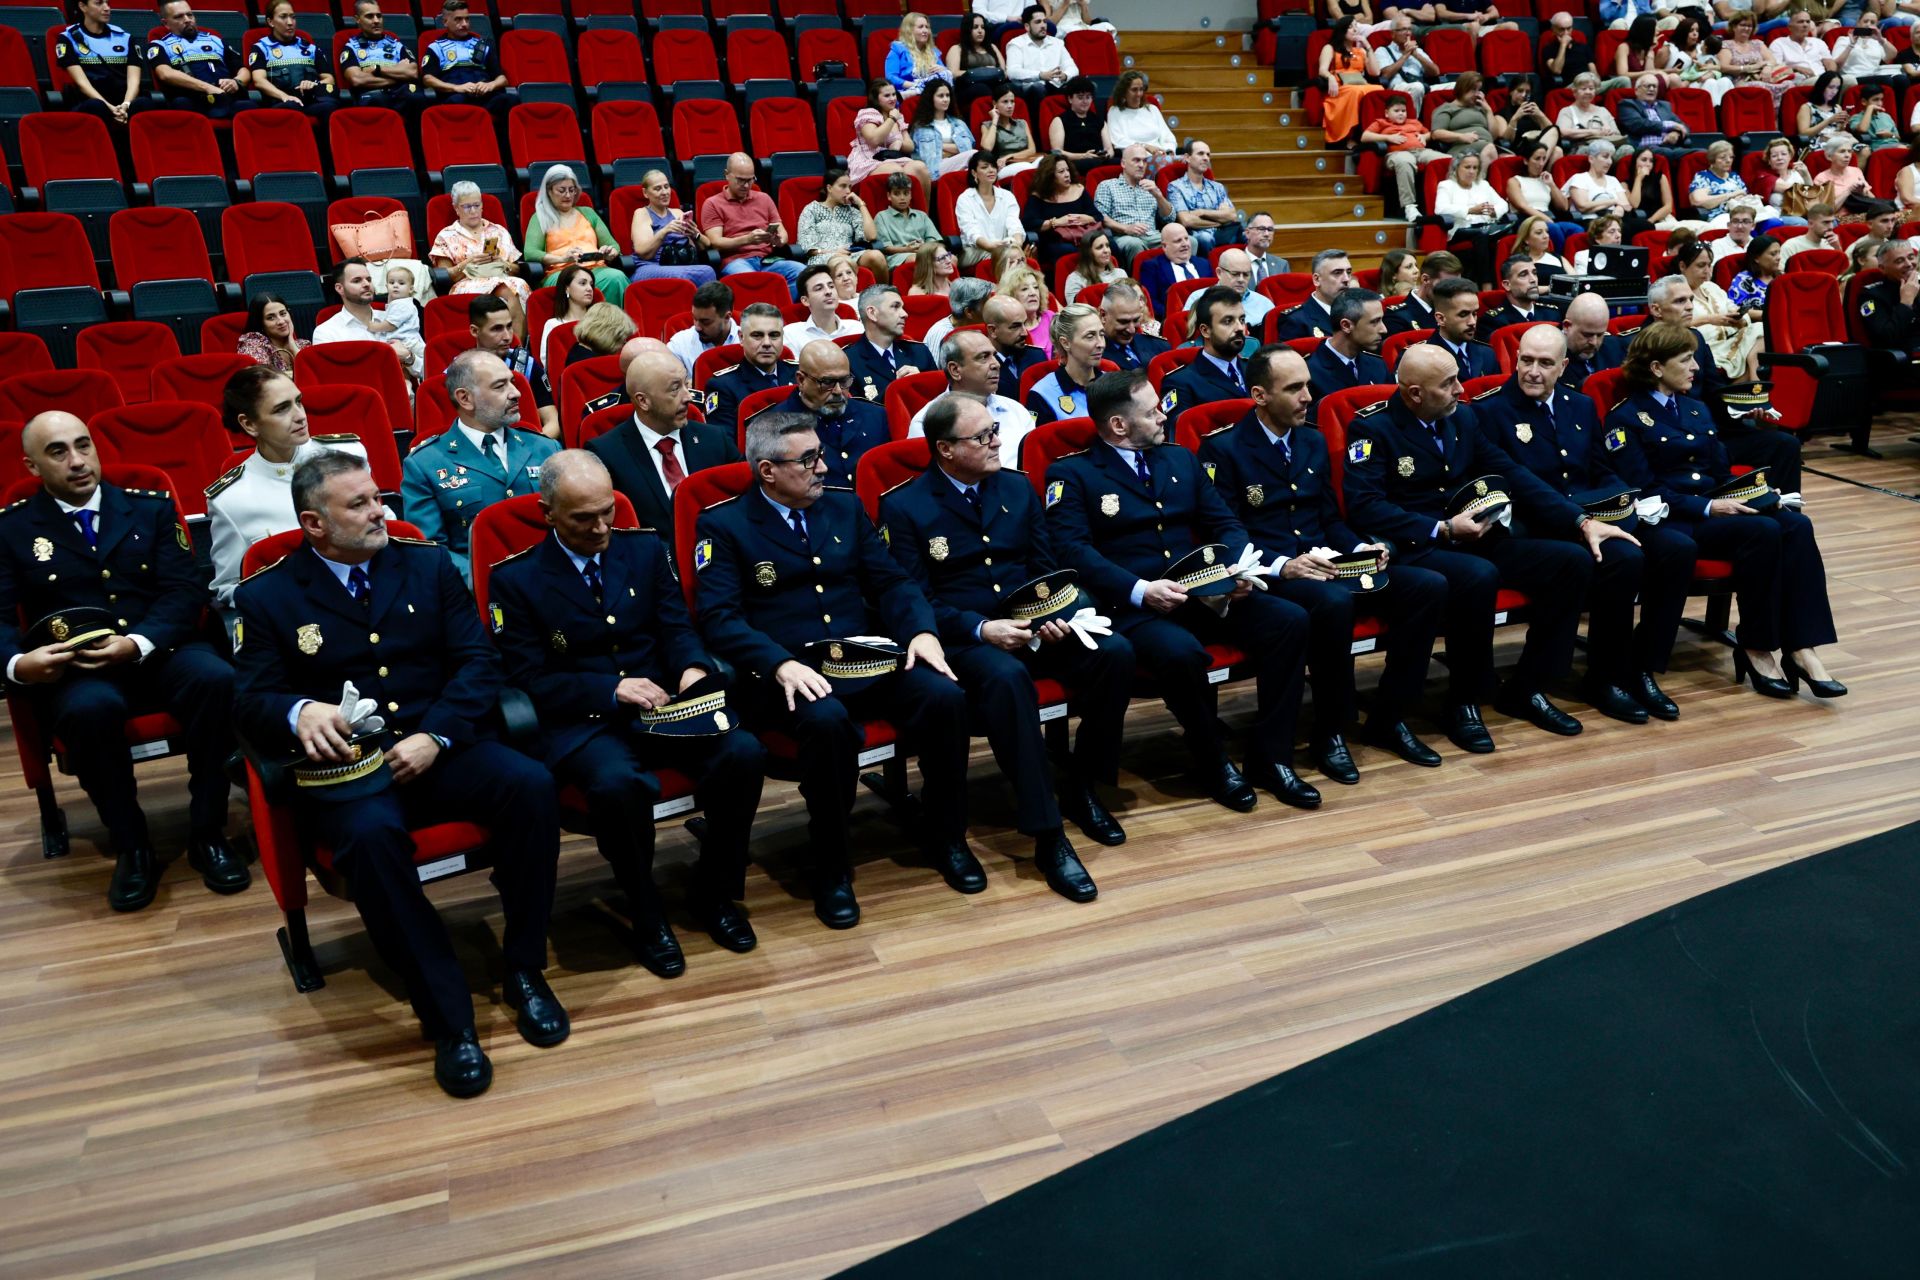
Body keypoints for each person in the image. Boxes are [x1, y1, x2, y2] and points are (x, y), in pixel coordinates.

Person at [235, 450, 564, 1097]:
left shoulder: (426, 565)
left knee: (531, 786)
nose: (380, 512)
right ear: (314, 523)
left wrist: (435, 735)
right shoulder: (269, 595)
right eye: (358, 504)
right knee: (370, 840)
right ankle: (449, 1018)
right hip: (352, 770)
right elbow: (249, 702)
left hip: (439, 747)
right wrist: (299, 710)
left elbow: (477, 663)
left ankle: (525, 967)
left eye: (378, 498)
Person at [693, 411, 977, 928]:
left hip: (863, 659)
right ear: (767, 471)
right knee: (826, 723)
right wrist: (778, 663)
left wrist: (920, 631)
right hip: (788, 675)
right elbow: (719, 618)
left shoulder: (843, 507)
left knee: (943, 696)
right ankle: (831, 865)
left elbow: (892, 582)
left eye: (820, 455)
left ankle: (947, 834)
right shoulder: (724, 525)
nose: (823, 467)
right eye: (807, 460)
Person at [489, 450, 767, 972]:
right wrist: (609, 689)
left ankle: (714, 890)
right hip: (587, 722)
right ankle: (645, 908)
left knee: (744, 753)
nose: (600, 528)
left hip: (664, 704)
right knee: (619, 786)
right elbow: (527, 679)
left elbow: (675, 627)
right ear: (548, 513)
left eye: (607, 512)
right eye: (582, 518)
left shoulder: (644, 549)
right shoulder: (517, 579)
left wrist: (692, 668)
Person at [882, 393, 1130, 900]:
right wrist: (981, 629)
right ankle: (1048, 835)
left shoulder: (1016, 487)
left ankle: (1082, 785)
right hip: (964, 638)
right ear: (946, 449)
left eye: (995, 432)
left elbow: (1044, 568)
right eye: (983, 437)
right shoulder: (904, 506)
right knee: (1008, 677)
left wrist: (1053, 614)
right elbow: (914, 598)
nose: (997, 442)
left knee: (1115, 652)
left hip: (1032, 622)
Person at [0, 410, 243, 909]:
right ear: (32, 467)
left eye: (83, 445)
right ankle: (132, 844)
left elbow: (183, 590)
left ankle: (208, 831)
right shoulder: (13, 528)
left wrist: (138, 643)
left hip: (159, 650)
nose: (77, 460)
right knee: (90, 709)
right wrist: (19, 664)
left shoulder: (148, 508)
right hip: (77, 667)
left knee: (216, 678)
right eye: (58, 452)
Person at [1047, 370, 1318, 810]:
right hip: (1133, 607)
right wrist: (1140, 589)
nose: (1163, 416)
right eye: (1152, 411)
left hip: (1201, 592)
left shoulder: (1179, 459)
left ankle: (1271, 756)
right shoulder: (1072, 473)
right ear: (1118, 424)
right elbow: (1073, 551)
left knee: (1288, 621)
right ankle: (1213, 761)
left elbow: (1225, 522)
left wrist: (1236, 568)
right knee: (1181, 654)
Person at [1342, 345, 1632, 749]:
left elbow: (1511, 471)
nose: (1461, 389)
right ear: (1415, 393)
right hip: (1418, 544)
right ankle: (1464, 701)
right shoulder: (1373, 429)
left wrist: (1580, 520)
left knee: (1570, 562)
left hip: (1472, 535)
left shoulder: (1461, 416)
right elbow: (1365, 505)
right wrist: (1441, 528)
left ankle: (1528, 686)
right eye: (1448, 384)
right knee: (1478, 576)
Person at [1199, 346, 1447, 777]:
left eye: (1308, 386)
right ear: (1259, 395)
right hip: (1272, 572)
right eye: (1294, 388)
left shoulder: (1312, 440)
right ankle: (1330, 730)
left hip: (1326, 562)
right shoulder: (1224, 449)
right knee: (1333, 603)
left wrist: (1360, 548)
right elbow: (1226, 532)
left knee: (1427, 586)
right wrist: (1284, 564)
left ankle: (1390, 717)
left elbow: (1329, 519)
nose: (1307, 397)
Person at [1605, 321, 1845, 699]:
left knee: (1796, 525)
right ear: (1656, 367)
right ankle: (1756, 646)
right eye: (1685, 360)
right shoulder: (1626, 417)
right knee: (1763, 531)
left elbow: (1720, 473)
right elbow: (1643, 490)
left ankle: (1802, 647)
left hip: (1715, 510)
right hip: (1676, 520)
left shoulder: (1697, 409)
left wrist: (1758, 494)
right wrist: (1708, 506)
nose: (1695, 367)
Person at [1474, 326, 1691, 721]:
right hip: (1532, 527)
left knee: (1675, 548)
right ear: (1515, 360)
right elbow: (1519, 485)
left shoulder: (1580, 405)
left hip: (1589, 518)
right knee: (1622, 559)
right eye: (1526, 360)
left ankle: (1639, 666)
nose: (1533, 371)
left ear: (1563, 366)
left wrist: (1624, 501)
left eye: (1545, 363)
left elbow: (1599, 468)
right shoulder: (1489, 411)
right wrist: (1582, 520)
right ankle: (1601, 678)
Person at [207, 366, 376, 629]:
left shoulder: (349, 454)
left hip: (373, 601)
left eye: (299, 401)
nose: (300, 416)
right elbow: (229, 587)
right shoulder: (231, 499)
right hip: (300, 623)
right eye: (281, 409)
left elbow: (384, 531)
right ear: (249, 424)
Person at [400, 350, 560, 582]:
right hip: (477, 588)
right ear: (465, 398)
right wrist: (486, 582)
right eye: (500, 386)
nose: (516, 393)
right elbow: (431, 549)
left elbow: (569, 522)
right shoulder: (425, 464)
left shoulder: (546, 448)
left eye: (512, 382)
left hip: (553, 579)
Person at [589, 349, 742, 535]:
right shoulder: (606, 453)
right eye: (675, 389)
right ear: (643, 401)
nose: (688, 397)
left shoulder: (714, 438)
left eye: (686, 384)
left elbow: (746, 497)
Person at [745, 339, 890, 489]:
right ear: (801, 380)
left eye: (844, 381)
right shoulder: (771, 427)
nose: (838, 391)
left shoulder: (876, 416)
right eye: (827, 382)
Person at [908, 326, 1040, 462]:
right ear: (955, 370)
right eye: (984, 357)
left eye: (994, 356)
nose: (996, 364)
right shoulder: (925, 424)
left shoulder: (1017, 411)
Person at [430, 180, 533, 331]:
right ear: (456, 208)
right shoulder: (446, 235)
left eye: (476, 205)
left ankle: (515, 341)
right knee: (509, 292)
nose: (473, 211)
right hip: (467, 283)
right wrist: (467, 263)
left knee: (518, 285)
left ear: (482, 206)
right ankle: (514, 343)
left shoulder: (498, 231)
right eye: (467, 207)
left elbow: (517, 269)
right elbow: (445, 276)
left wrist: (503, 264)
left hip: (503, 277)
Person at [700, 154, 804, 296]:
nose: (746, 185)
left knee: (802, 272)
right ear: (727, 175)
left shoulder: (764, 198)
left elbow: (782, 233)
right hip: (736, 261)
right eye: (740, 180)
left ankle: (781, 307)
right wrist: (747, 239)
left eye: (750, 180)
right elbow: (715, 242)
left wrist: (778, 240)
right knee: (752, 279)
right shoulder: (712, 203)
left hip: (767, 260)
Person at [1158, 286, 1253, 439]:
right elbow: (1183, 438)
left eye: (1241, 320)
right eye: (1228, 321)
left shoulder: (1255, 369)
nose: (1240, 328)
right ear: (1205, 330)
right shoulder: (1180, 382)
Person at [55, 0, 149, 151]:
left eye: (107, 3)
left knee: (144, 104)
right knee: (97, 107)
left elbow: (134, 80)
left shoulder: (125, 38)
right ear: (83, 6)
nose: (107, 8)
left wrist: (126, 105)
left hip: (122, 100)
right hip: (90, 100)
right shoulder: (68, 38)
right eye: (99, 3)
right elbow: (82, 83)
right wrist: (109, 107)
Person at [314, 258, 424, 383]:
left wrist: (408, 357)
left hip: (404, 393)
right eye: (357, 281)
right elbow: (329, 379)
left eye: (369, 279)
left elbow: (429, 371)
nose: (366, 284)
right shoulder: (326, 332)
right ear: (340, 288)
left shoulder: (396, 319)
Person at [525, 168, 625, 305]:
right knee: (575, 284)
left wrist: (610, 252)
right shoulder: (540, 218)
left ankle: (611, 319)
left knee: (617, 277)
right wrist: (562, 258)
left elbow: (614, 245)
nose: (568, 195)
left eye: (571, 190)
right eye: (562, 190)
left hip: (595, 269)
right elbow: (530, 253)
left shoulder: (588, 213)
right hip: (562, 272)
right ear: (549, 191)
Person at [145, 0, 256, 120]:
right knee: (181, 103)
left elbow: (243, 70)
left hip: (226, 95)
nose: (187, 19)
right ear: (166, 23)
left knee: (248, 106)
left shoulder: (215, 40)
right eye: (179, 17)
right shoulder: (160, 45)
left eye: (190, 15)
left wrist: (236, 82)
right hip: (193, 98)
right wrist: (207, 88)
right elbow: (165, 74)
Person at [470, 294, 558, 437]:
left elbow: (553, 421)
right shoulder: (459, 373)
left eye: (509, 326)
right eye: (497, 329)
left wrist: (533, 446)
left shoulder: (527, 365)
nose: (507, 336)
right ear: (475, 331)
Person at [702, 303, 796, 435]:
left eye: (774, 335)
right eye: (757, 335)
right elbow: (725, 442)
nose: (767, 343)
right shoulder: (722, 386)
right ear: (741, 337)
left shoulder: (800, 373)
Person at [419, 0, 511, 126]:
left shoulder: (483, 45)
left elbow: (502, 79)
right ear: (445, 22)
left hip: (485, 95)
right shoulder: (436, 47)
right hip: (457, 95)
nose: (464, 24)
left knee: (511, 100)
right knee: (455, 103)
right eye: (458, 19)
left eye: (467, 19)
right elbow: (427, 79)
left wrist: (491, 85)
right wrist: (456, 88)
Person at [626, 168, 717, 288]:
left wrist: (695, 234)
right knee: (682, 276)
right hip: (650, 266)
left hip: (679, 263)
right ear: (645, 193)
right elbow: (643, 252)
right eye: (657, 188)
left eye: (666, 187)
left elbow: (706, 245)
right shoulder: (642, 213)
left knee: (708, 271)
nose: (664, 192)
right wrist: (664, 231)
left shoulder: (678, 213)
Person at [247, 0, 338, 118]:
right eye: (283, 17)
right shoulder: (261, 48)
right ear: (270, 22)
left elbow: (329, 79)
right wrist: (284, 96)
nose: (290, 22)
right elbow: (259, 81)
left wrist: (315, 84)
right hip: (280, 102)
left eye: (293, 17)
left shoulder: (310, 48)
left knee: (330, 107)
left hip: (309, 102)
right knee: (292, 106)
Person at [845, 283, 934, 402]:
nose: (905, 314)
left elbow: (941, 400)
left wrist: (921, 383)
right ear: (872, 313)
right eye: (895, 307)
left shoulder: (920, 352)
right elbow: (855, 410)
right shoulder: (848, 361)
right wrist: (897, 388)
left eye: (902, 307)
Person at [1306, 287, 1390, 409]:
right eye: (1374, 322)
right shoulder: (1309, 372)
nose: (1384, 329)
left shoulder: (1378, 365)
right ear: (1346, 325)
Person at [1364, 97, 1446, 221]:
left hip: (1420, 152)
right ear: (1387, 113)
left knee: (1445, 160)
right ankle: (1409, 207)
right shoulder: (1381, 123)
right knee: (1405, 161)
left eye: (1403, 111)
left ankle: (1449, 201)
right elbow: (1365, 136)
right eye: (1396, 111)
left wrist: (1425, 136)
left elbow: (1431, 134)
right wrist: (1388, 138)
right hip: (1397, 154)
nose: (1401, 113)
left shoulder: (1414, 123)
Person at [797, 168, 888, 280]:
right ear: (829, 188)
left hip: (849, 255)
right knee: (841, 263)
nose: (848, 191)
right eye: (843, 186)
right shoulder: (811, 209)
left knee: (877, 256)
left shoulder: (851, 211)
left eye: (849, 187)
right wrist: (834, 252)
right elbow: (807, 246)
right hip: (822, 257)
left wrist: (861, 204)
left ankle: (884, 290)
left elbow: (871, 236)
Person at [1024, 305, 1107, 426]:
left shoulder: (1112, 385)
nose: (1101, 344)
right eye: (1090, 336)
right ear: (1065, 343)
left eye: (1102, 334)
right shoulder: (1042, 394)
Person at [1433, 152, 1509, 280]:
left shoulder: (1483, 185)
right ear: (1456, 168)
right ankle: (1486, 284)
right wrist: (1470, 210)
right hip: (1459, 230)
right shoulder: (1446, 185)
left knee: (1508, 231)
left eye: (1475, 168)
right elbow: (1440, 209)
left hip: (1485, 226)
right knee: (1482, 234)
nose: (1471, 171)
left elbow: (1503, 204)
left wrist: (1493, 211)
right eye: (1467, 167)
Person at [337, 0, 421, 115]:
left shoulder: (396, 44)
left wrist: (377, 69)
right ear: (357, 19)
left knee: (416, 97)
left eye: (379, 16)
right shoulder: (351, 47)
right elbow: (357, 79)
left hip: (401, 95)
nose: (376, 21)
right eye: (369, 16)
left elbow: (413, 72)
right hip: (372, 96)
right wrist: (398, 76)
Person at [1022, 154, 1103, 273]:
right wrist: (1056, 222)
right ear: (1050, 175)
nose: (1067, 174)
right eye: (1061, 171)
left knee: (1109, 245)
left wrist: (1087, 218)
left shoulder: (1079, 189)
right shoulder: (1038, 196)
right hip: (1053, 241)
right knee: (1069, 250)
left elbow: (1098, 216)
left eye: (1067, 170)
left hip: (1082, 236)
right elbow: (1029, 223)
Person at [1094, 144, 1172, 263]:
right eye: (1136, 160)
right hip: (1123, 236)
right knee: (1134, 243)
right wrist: (1126, 228)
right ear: (1123, 163)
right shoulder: (1107, 186)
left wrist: (1158, 195)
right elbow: (1100, 217)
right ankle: (1140, 275)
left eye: (1144, 161)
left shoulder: (1151, 187)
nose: (1141, 165)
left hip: (1153, 236)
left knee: (1189, 241)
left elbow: (1169, 218)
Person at [851, 81, 933, 193]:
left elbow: (910, 146)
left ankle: (922, 206)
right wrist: (892, 119)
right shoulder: (868, 113)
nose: (893, 98)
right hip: (869, 160)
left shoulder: (898, 115)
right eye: (887, 95)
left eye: (894, 94)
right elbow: (874, 140)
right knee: (896, 171)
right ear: (875, 98)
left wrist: (898, 142)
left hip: (895, 158)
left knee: (920, 168)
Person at [1166, 141, 1245, 257]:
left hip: (1223, 234)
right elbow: (1187, 221)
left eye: (1208, 155)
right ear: (1187, 158)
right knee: (1205, 238)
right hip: (1196, 236)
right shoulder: (1175, 187)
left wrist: (1202, 212)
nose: (1206, 158)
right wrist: (1219, 220)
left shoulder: (1217, 187)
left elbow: (1231, 215)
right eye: (1200, 153)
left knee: (1249, 233)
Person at [954, 152, 1026, 271]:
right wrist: (990, 246)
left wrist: (1018, 243)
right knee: (1000, 257)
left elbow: (1014, 223)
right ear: (974, 173)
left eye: (993, 166)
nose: (991, 170)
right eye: (984, 167)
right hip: (974, 250)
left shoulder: (1007, 196)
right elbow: (970, 231)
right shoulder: (965, 198)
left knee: (1016, 255)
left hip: (1004, 248)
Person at [1318, 17, 1379, 147]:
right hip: (1340, 87)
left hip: (1360, 84)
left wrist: (1368, 47)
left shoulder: (1361, 51)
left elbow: (1375, 72)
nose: (1355, 29)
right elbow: (1322, 70)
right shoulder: (1330, 48)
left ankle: (1371, 132)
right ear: (1342, 30)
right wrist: (1330, 77)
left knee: (1378, 89)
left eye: (1356, 26)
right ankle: (1352, 135)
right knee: (1356, 91)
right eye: (1351, 27)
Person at [1423, 277, 1500, 379]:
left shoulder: (1487, 354)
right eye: (1463, 315)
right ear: (1441, 319)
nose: (1472, 322)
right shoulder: (1423, 360)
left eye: (1475, 313)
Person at [1507, 146, 1583, 248]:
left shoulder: (1545, 180)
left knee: (1577, 230)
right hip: (1527, 220)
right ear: (1526, 161)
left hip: (1547, 218)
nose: (1541, 163)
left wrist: (1551, 184)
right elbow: (1523, 206)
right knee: (1553, 229)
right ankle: (1557, 257)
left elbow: (1564, 207)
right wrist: (1545, 219)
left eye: (1544, 159)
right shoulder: (1515, 181)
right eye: (1537, 159)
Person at [1276, 248, 1356, 341]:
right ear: (1317, 280)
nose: (1346, 279)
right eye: (1337, 273)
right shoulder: (1296, 320)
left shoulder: (1357, 312)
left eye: (1348, 272)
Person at [979, 291, 1047, 400]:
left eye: (1024, 324)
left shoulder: (1037, 356)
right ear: (993, 331)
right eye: (1015, 326)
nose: (1025, 333)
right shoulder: (981, 368)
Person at [1618, 73, 1693, 169]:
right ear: (1636, 90)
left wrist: (1676, 133)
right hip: (1645, 148)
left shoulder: (1664, 106)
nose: (1652, 89)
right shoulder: (1627, 104)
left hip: (1669, 146)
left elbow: (1684, 126)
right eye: (1648, 86)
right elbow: (1638, 124)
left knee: (1701, 153)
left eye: (1654, 86)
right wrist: (1670, 125)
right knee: (1669, 153)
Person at [666, 281, 740, 379]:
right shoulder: (679, 343)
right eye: (694, 318)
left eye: (705, 322)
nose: (697, 327)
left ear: (727, 317)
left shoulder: (750, 344)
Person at [1134, 221, 1206, 319]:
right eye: (1178, 241)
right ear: (1164, 246)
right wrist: (1176, 317)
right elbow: (1151, 302)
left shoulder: (1204, 264)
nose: (1185, 244)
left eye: (1186, 238)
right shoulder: (1152, 267)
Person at [1005, 4, 1079, 100]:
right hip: (1030, 89)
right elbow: (1012, 72)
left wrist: (1065, 75)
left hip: (1056, 86)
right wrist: (1040, 75)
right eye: (1038, 22)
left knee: (1086, 86)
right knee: (1038, 87)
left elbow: (1073, 68)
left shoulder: (1057, 43)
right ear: (1027, 26)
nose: (1043, 25)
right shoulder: (1016, 44)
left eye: (1044, 21)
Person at [1430, 70, 1498, 173]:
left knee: (1508, 157)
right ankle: (1479, 181)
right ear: (1462, 88)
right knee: (1490, 149)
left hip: (1487, 145)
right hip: (1461, 148)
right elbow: (1436, 133)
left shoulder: (1481, 108)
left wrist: (1488, 110)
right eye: (1473, 89)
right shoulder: (1447, 108)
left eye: (1479, 90)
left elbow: (1494, 136)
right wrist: (1461, 136)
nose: (1477, 94)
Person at [1372, 15, 1442, 114]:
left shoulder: (1417, 51)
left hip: (1423, 84)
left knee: (1456, 85)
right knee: (1417, 87)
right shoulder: (1382, 50)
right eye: (1403, 29)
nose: (1408, 33)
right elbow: (1385, 75)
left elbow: (1436, 72)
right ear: (1393, 34)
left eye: (1409, 29)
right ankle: (1412, 121)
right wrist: (1405, 55)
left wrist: (1416, 55)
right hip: (1398, 87)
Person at [874, 173, 944, 271]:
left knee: (950, 258)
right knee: (916, 259)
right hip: (898, 256)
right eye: (897, 194)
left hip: (925, 252)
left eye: (906, 193)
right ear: (889, 196)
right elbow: (885, 248)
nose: (902, 198)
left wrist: (924, 248)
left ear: (910, 195)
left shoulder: (921, 215)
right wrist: (907, 249)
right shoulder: (881, 217)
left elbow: (934, 240)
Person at [785, 264, 862, 352]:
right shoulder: (791, 334)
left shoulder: (856, 328)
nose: (828, 292)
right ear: (805, 300)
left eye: (831, 286)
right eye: (819, 288)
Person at [910, 80, 978, 179]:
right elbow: (925, 156)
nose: (946, 99)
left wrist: (939, 146)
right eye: (941, 96)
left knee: (976, 163)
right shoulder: (921, 127)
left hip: (959, 164)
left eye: (948, 95)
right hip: (935, 169)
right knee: (973, 155)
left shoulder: (959, 123)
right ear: (931, 98)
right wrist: (955, 150)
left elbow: (967, 147)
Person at [1105, 71, 1177, 163]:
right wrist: (1145, 147)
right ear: (1123, 92)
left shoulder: (1152, 109)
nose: (1139, 94)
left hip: (1160, 157)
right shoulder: (1115, 111)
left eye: (1141, 89)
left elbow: (1168, 136)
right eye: (1134, 90)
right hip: (1136, 159)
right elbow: (1118, 141)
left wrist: (1168, 151)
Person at [1559, 291, 1627, 389]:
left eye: (1600, 335)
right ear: (1567, 326)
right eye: (1587, 335)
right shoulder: (1549, 356)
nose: (1594, 342)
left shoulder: (1615, 348)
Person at [1099, 279, 1170, 372]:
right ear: (1103, 315)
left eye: (1136, 320)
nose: (1132, 330)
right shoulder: (1094, 356)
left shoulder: (1160, 346)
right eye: (1123, 322)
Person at [1384, 249, 1461, 334]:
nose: (1452, 291)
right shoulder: (1396, 317)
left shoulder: (1455, 310)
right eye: (1446, 285)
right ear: (1425, 279)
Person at [1049, 76, 1113, 174]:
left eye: (1088, 97)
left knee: (1122, 162)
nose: (1085, 101)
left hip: (1098, 160)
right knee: (1090, 163)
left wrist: (1106, 155)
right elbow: (1057, 152)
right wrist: (1083, 156)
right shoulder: (1059, 121)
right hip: (1074, 161)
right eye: (1080, 97)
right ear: (1070, 99)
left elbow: (1109, 149)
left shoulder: (1099, 121)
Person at [1482, 257, 1565, 333]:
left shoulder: (1552, 314)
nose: (1533, 279)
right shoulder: (1494, 321)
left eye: (1534, 273)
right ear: (1507, 285)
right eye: (1523, 275)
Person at [979, 85, 1042, 181]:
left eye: (1012, 101)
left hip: (1027, 161)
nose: (1010, 106)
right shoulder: (987, 125)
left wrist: (1009, 157)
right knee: (1028, 168)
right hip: (1004, 167)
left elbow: (1032, 150)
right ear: (995, 104)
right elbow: (987, 147)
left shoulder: (1022, 123)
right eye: (1005, 102)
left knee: (1049, 161)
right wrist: (995, 120)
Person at [885, 10, 953, 97]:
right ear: (909, 30)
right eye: (920, 27)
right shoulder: (898, 49)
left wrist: (942, 69)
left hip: (931, 93)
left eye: (927, 27)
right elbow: (891, 77)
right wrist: (914, 85)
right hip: (907, 91)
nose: (925, 31)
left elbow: (944, 75)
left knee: (947, 74)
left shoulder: (933, 51)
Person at [1564, 140, 1632, 226]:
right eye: (1605, 157)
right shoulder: (1579, 178)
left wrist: (1619, 208)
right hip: (1591, 221)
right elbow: (1583, 207)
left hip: (1615, 221)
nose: (1610, 162)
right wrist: (1613, 201)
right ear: (1591, 159)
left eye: (1611, 157)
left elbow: (1627, 206)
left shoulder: (1613, 180)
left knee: (1642, 225)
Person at [237, 293, 309, 374]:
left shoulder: (303, 345)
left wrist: (293, 346)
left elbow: (315, 374)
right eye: (270, 318)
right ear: (260, 323)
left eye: (283, 313)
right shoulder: (253, 346)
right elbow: (265, 378)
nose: (281, 321)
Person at [921, 276, 994, 355]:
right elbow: (935, 363)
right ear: (969, 312)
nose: (991, 309)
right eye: (986, 305)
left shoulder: (983, 327)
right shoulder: (942, 334)